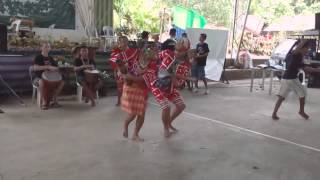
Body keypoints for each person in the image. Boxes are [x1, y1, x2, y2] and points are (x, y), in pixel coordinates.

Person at [145, 39, 186, 138]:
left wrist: (174, 78)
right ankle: (166, 128)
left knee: (181, 106)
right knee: (166, 107)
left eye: (181, 50)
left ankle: (169, 123)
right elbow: (155, 57)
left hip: (170, 87)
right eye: (176, 49)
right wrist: (151, 57)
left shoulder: (184, 63)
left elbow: (178, 83)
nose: (177, 52)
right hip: (158, 85)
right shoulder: (167, 53)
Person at [272, 40, 320, 120]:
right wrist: (303, 41)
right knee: (302, 94)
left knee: (281, 97)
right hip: (292, 79)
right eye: (307, 48)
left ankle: (274, 113)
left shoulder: (300, 57)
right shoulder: (297, 54)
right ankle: (301, 111)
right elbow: (297, 51)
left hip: (286, 78)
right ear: (302, 48)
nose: (308, 50)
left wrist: (317, 70)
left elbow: (306, 68)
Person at [119, 37, 152, 142]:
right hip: (132, 87)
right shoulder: (129, 56)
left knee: (141, 113)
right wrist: (124, 74)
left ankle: (135, 134)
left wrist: (131, 77)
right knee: (133, 112)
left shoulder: (150, 61)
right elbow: (122, 72)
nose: (144, 49)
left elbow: (145, 76)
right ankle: (125, 125)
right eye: (142, 46)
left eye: (145, 47)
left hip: (142, 88)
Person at [33, 42, 64, 110]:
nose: (47, 48)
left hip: (50, 77)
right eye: (45, 47)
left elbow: (56, 68)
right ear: (41, 48)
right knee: (42, 82)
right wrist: (48, 67)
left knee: (61, 82)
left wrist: (55, 69)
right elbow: (35, 68)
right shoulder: (38, 57)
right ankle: (45, 101)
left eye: (48, 47)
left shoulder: (50, 58)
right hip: (39, 77)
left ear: (50, 48)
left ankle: (54, 98)